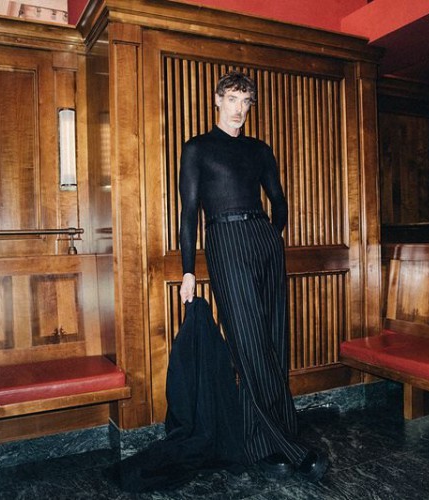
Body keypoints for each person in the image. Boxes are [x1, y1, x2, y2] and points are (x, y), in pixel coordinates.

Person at [178, 70, 329, 482]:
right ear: (217, 100)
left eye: (246, 102)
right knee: (249, 343)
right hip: (225, 240)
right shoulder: (197, 148)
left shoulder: (260, 149)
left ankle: (258, 441)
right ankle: (289, 445)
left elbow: (278, 201)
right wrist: (188, 270)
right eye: (232, 99)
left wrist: (270, 237)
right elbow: (189, 213)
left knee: (273, 340)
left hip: (263, 240)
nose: (239, 109)